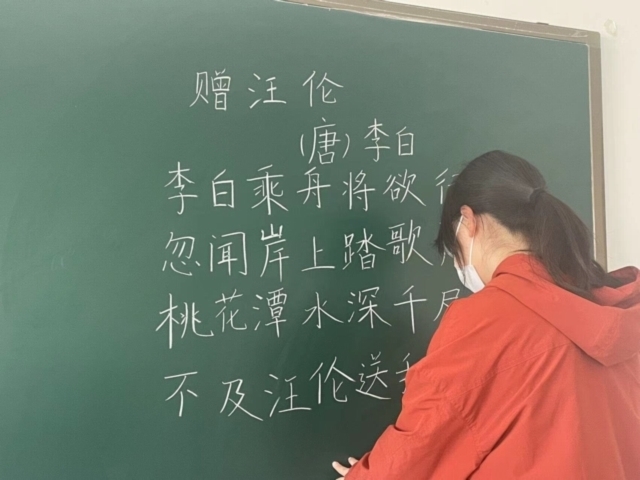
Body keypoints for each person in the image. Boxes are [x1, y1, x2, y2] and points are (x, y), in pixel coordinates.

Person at [332, 150, 640, 479]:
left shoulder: (487, 320)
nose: (458, 263)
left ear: (468, 220)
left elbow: (424, 443)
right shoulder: (615, 305)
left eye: (452, 248)